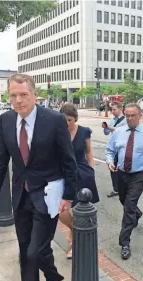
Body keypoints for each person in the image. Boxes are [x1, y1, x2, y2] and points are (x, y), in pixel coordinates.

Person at [0, 74, 78, 281]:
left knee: (36, 250)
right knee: (26, 250)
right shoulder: (6, 120)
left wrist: (68, 195)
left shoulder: (54, 120)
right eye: (13, 95)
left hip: (47, 195)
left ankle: (52, 279)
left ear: (35, 95)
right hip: (20, 196)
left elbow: (68, 160)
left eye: (23, 95)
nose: (18, 100)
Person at [106, 103, 143, 260]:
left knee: (128, 206)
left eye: (133, 115)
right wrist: (110, 161)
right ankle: (136, 214)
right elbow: (110, 150)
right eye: (127, 115)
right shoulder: (119, 132)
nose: (130, 118)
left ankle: (125, 243)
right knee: (124, 201)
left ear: (140, 115)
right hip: (121, 174)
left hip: (139, 175)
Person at [59, 103, 99, 259]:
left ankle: (74, 242)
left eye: (69, 119)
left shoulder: (84, 132)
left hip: (83, 174)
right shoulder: (58, 132)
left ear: (75, 118)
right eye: (64, 120)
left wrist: (92, 170)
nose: (67, 123)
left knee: (78, 209)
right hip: (63, 174)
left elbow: (89, 152)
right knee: (61, 211)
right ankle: (77, 231)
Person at [102, 101, 126, 198]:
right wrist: (105, 127)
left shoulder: (125, 121)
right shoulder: (112, 120)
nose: (112, 111)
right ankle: (116, 189)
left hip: (123, 148)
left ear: (120, 109)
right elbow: (107, 133)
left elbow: (120, 131)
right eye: (111, 109)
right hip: (114, 149)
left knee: (123, 169)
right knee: (113, 169)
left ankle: (124, 188)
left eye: (114, 109)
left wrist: (109, 127)